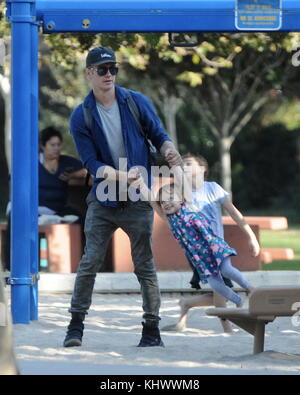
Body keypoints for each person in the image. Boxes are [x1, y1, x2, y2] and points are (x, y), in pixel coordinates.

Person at [63, 46, 181, 348]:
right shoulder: (82, 115)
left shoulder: (135, 102)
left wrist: (168, 148)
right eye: (102, 69)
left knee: (144, 264)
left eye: (112, 69)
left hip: (138, 198)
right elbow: (90, 163)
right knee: (89, 262)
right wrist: (121, 175)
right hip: (104, 198)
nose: (109, 75)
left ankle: (151, 329)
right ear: (89, 73)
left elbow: (158, 133)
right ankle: (75, 326)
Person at [130, 154, 260, 311]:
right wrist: (140, 184)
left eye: (171, 198)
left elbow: (184, 185)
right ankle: (237, 300)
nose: (167, 203)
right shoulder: (169, 220)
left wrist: (175, 163)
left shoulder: (189, 205)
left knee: (226, 270)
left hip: (214, 245)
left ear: (182, 199)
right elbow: (152, 200)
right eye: (163, 202)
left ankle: (250, 288)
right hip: (199, 256)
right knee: (213, 283)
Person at [162, 154, 235, 333]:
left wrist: (250, 236)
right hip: (199, 250)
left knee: (222, 290)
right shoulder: (179, 195)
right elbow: (161, 208)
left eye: (188, 164)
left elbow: (234, 212)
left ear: (203, 168)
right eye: (182, 165)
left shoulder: (212, 189)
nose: (184, 167)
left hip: (218, 247)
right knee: (221, 290)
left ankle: (187, 303)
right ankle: (227, 329)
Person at [3, 127, 86, 271]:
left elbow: (88, 169)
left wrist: (73, 175)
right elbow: (14, 178)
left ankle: (84, 263)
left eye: (58, 144)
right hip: (33, 208)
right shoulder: (31, 162)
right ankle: (13, 267)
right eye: (52, 145)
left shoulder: (66, 162)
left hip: (56, 209)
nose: (56, 148)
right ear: (42, 145)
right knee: (16, 218)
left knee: (82, 217)